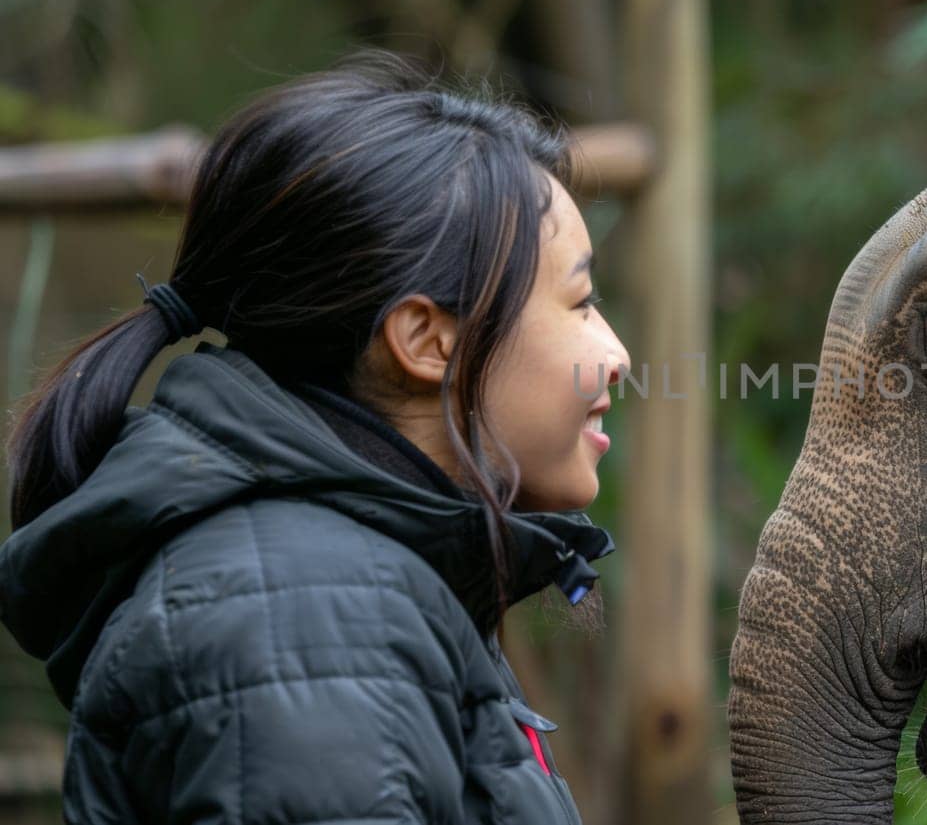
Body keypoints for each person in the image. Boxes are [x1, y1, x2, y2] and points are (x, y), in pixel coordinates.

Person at [0, 49, 630, 824]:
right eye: (580, 302)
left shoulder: (343, 588)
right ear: (427, 341)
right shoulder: (311, 626)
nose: (617, 355)